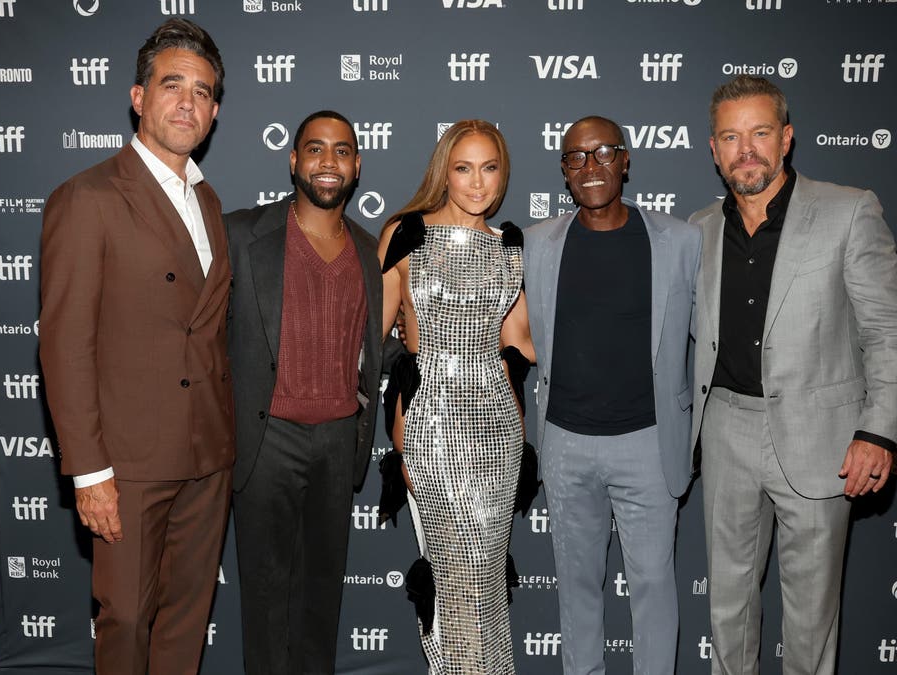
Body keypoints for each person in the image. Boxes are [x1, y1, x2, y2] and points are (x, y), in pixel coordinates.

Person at [689, 75, 897, 675]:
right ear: (713, 149)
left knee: (811, 614)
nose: (746, 150)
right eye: (731, 138)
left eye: (760, 133)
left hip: (823, 436)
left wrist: (879, 432)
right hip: (726, 429)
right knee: (728, 605)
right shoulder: (699, 231)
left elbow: (888, 332)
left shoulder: (848, 210)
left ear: (785, 138)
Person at [39, 19, 232, 675]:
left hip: (208, 452)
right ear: (138, 97)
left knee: (186, 613)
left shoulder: (207, 202)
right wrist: (90, 472)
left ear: (213, 110)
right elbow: (65, 344)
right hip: (127, 461)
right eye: (172, 84)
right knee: (123, 617)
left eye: (204, 92)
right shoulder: (87, 197)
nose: (188, 102)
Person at [523, 115, 700, 675]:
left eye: (603, 153)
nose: (590, 166)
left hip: (648, 444)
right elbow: (509, 328)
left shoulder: (681, 240)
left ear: (627, 160)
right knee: (577, 589)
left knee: (653, 586)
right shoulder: (535, 244)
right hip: (565, 443)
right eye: (576, 157)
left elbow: (711, 334)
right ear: (563, 172)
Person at [225, 110, 383, 674]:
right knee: (265, 599)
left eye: (342, 151)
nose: (328, 162)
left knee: (321, 598)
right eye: (315, 149)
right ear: (294, 161)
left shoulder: (369, 250)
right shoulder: (243, 234)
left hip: (339, 441)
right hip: (266, 441)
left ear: (357, 166)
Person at [379, 120, 531, 674]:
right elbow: (378, 338)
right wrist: (399, 423)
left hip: (498, 434)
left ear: (503, 173)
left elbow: (519, 344)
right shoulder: (406, 233)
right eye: (463, 167)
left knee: (485, 584)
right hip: (432, 430)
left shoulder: (510, 246)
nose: (476, 182)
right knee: (454, 579)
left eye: (489, 168)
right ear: (444, 169)